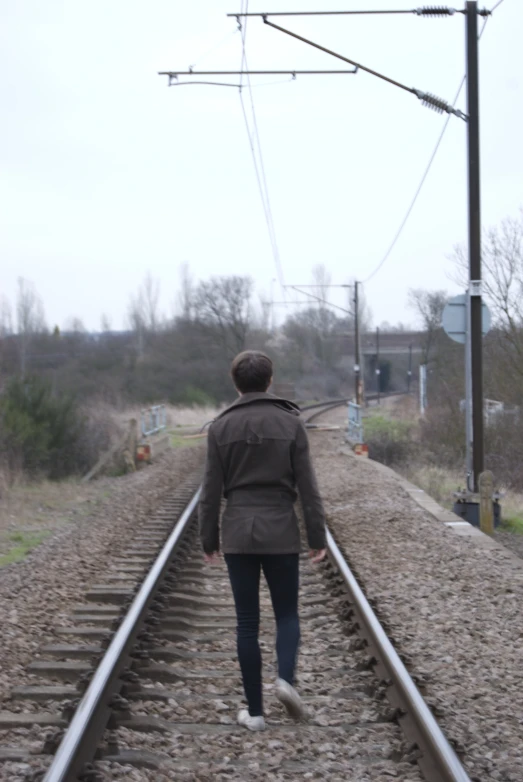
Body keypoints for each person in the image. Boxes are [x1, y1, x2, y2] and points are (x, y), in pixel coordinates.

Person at [199, 350, 327, 731]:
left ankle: (254, 714)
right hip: (281, 531)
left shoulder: (220, 428)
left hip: (238, 532)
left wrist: (209, 540)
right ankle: (285, 680)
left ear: (236, 383)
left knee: (246, 624)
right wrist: (316, 535)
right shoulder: (290, 423)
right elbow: (308, 487)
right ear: (269, 381)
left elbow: (210, 491)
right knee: (287, 614)